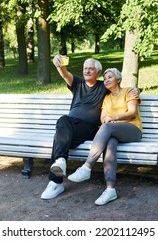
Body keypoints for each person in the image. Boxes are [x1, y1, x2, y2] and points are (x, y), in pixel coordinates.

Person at [41, 56, 139, 200]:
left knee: (60, 133)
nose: (87, 71)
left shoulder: (103, 87)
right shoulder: (78, 83)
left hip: (89, 129)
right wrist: (59, 65)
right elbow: (64, 74)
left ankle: (57, 179)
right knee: (61, 129)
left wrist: (135, 90)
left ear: (98, 72)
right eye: (85, 68)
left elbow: (119, 89)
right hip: (71, 127)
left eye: (91, 68)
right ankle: (57, 175)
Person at [68, 68, 142, 206]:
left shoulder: (128, 91)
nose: (106, 80)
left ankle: (87, 166)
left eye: (110, 77)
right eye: (105, 78)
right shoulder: (106, 98)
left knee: (107, 128)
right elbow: (103, 118)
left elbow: (132, 112)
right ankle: (110, 189)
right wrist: (108, 121)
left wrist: (113, 118)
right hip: (114, 131)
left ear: (118, 80)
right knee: (110, 144)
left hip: (133, 130)